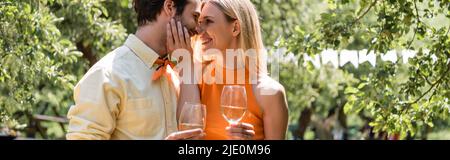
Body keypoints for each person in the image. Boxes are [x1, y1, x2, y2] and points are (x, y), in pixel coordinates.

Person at [66, 0, 203, 140]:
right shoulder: (106, 75)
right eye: (195, 17)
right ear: (169, 7)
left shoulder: (178, 74)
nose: (198, 29)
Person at [176, 0, 289, 140]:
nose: (198, 30)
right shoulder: (194, 76)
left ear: (235, 28)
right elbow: (186, 138)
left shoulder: (270, 93)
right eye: (199, 22)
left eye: (208, 21)